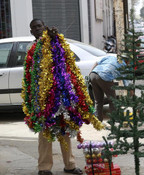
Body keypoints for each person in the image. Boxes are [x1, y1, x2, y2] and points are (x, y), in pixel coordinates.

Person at [26, 19, 83, 175]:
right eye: (34, 28)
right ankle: (44, 168)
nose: (37, 29)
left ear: (44, 27)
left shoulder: (55, 43)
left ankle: (70, 165)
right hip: (42, 98)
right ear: (31, 32)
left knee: (64, 129)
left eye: (40, 26)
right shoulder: (32, 48)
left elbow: (64, 58)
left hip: (60, 95)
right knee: (45, 131)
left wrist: (55, 38)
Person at [89, 55, 128, 122]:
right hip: (104, 76)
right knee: (113, 100)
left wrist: (90, 74)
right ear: (127, 61)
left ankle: (98, 121)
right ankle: (113, 121)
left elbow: (96, 62)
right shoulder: (123, 65)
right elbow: (126, 81)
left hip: (93, 74)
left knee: (98, 100)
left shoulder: (110, 57)